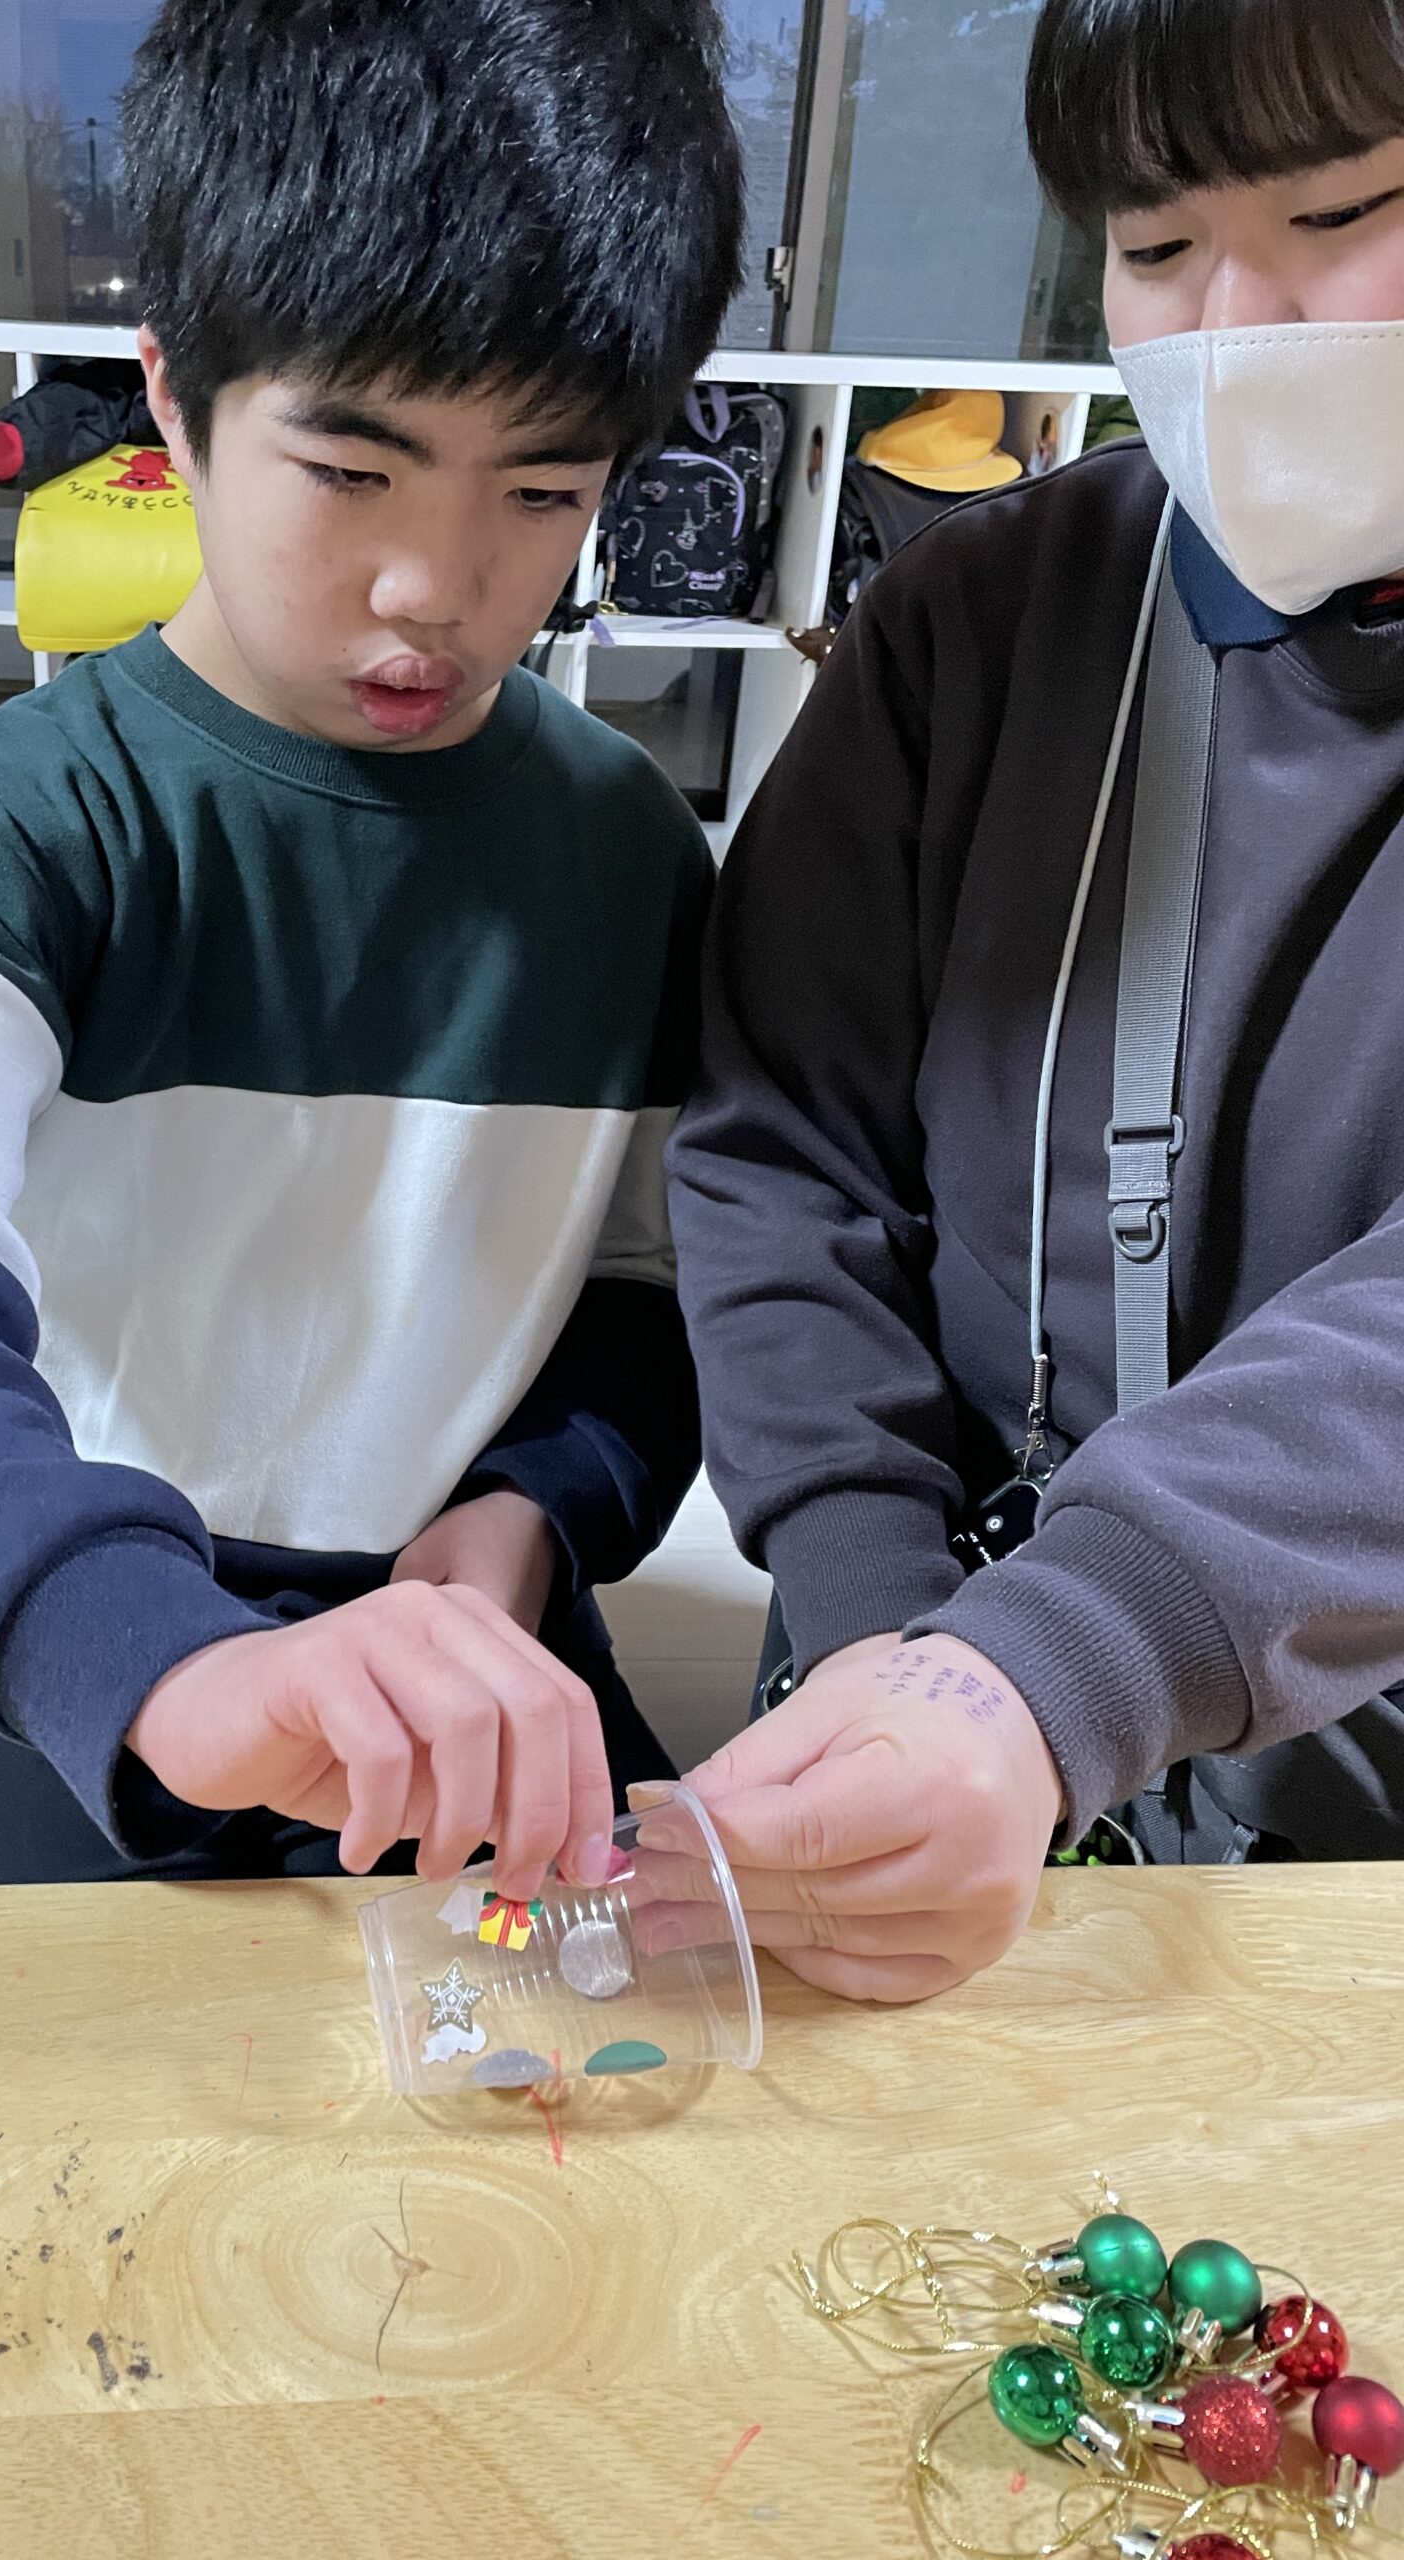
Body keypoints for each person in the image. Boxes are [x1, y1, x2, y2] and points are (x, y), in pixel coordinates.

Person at [0, 0, 742, 1895]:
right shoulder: (32, 821)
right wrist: (156, 1661)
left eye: (544, 491)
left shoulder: (628, 849)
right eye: (352, 472)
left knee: (673, 2031)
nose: (435, 587)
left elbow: (647, 1288)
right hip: (89, 1596)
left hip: (458, 1622)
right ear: (174, 401)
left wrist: (534, 1516)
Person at [660, 0, 1404, 2000]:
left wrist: (1062, 1658)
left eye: (1339, 215)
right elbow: (780, 1146)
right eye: (1156, 247)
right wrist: (883, 1629)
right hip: (934, 1671)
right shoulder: (976, 627)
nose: (1234, 326)